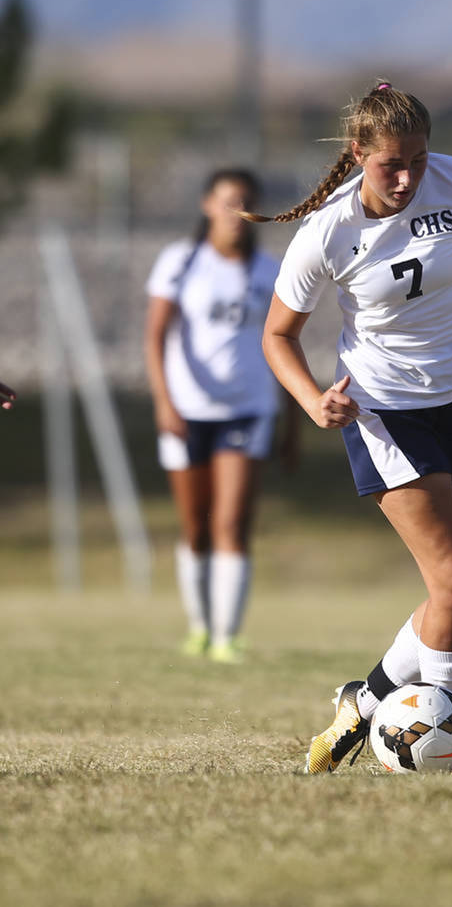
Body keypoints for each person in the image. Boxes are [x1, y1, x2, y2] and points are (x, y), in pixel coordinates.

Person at [251, 81, 452, 776]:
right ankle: (448, 742)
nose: (406, 178)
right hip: (384, 410)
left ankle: (365, 701)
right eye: (390, 164)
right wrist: (313, 399)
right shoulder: (329, 232)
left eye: (419, 160)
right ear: (358, 155)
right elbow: (278, 336)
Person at [145, 168, 295, 664]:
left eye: (246, 202)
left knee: (231, 520)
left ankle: (228, 637)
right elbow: (156, 335)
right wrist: (166, 401)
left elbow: (285, 342)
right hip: (187, 411)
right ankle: (200, 628)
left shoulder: (268, 270)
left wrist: (293, 420)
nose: (237, 212)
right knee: (195, 525)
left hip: (247, 409)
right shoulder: (182, 262)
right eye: (228, 201)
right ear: (208, 204)